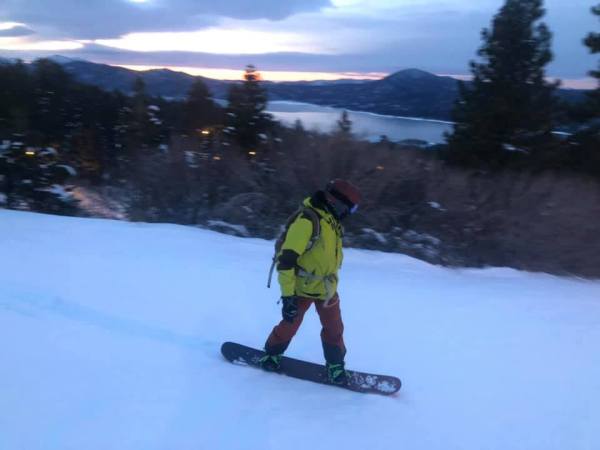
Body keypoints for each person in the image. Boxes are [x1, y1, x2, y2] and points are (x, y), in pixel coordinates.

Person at [260, 179, 361, 384]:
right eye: (349, 209)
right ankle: (271, 354)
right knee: (290, 325)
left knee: (334, 329)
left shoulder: (332, 223)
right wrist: (288, 296)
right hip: (300, 288)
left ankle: (335, 366)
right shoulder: (307, 221)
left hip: (327, 289)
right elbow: (286, 261)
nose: (348, 214)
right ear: (335, 202)